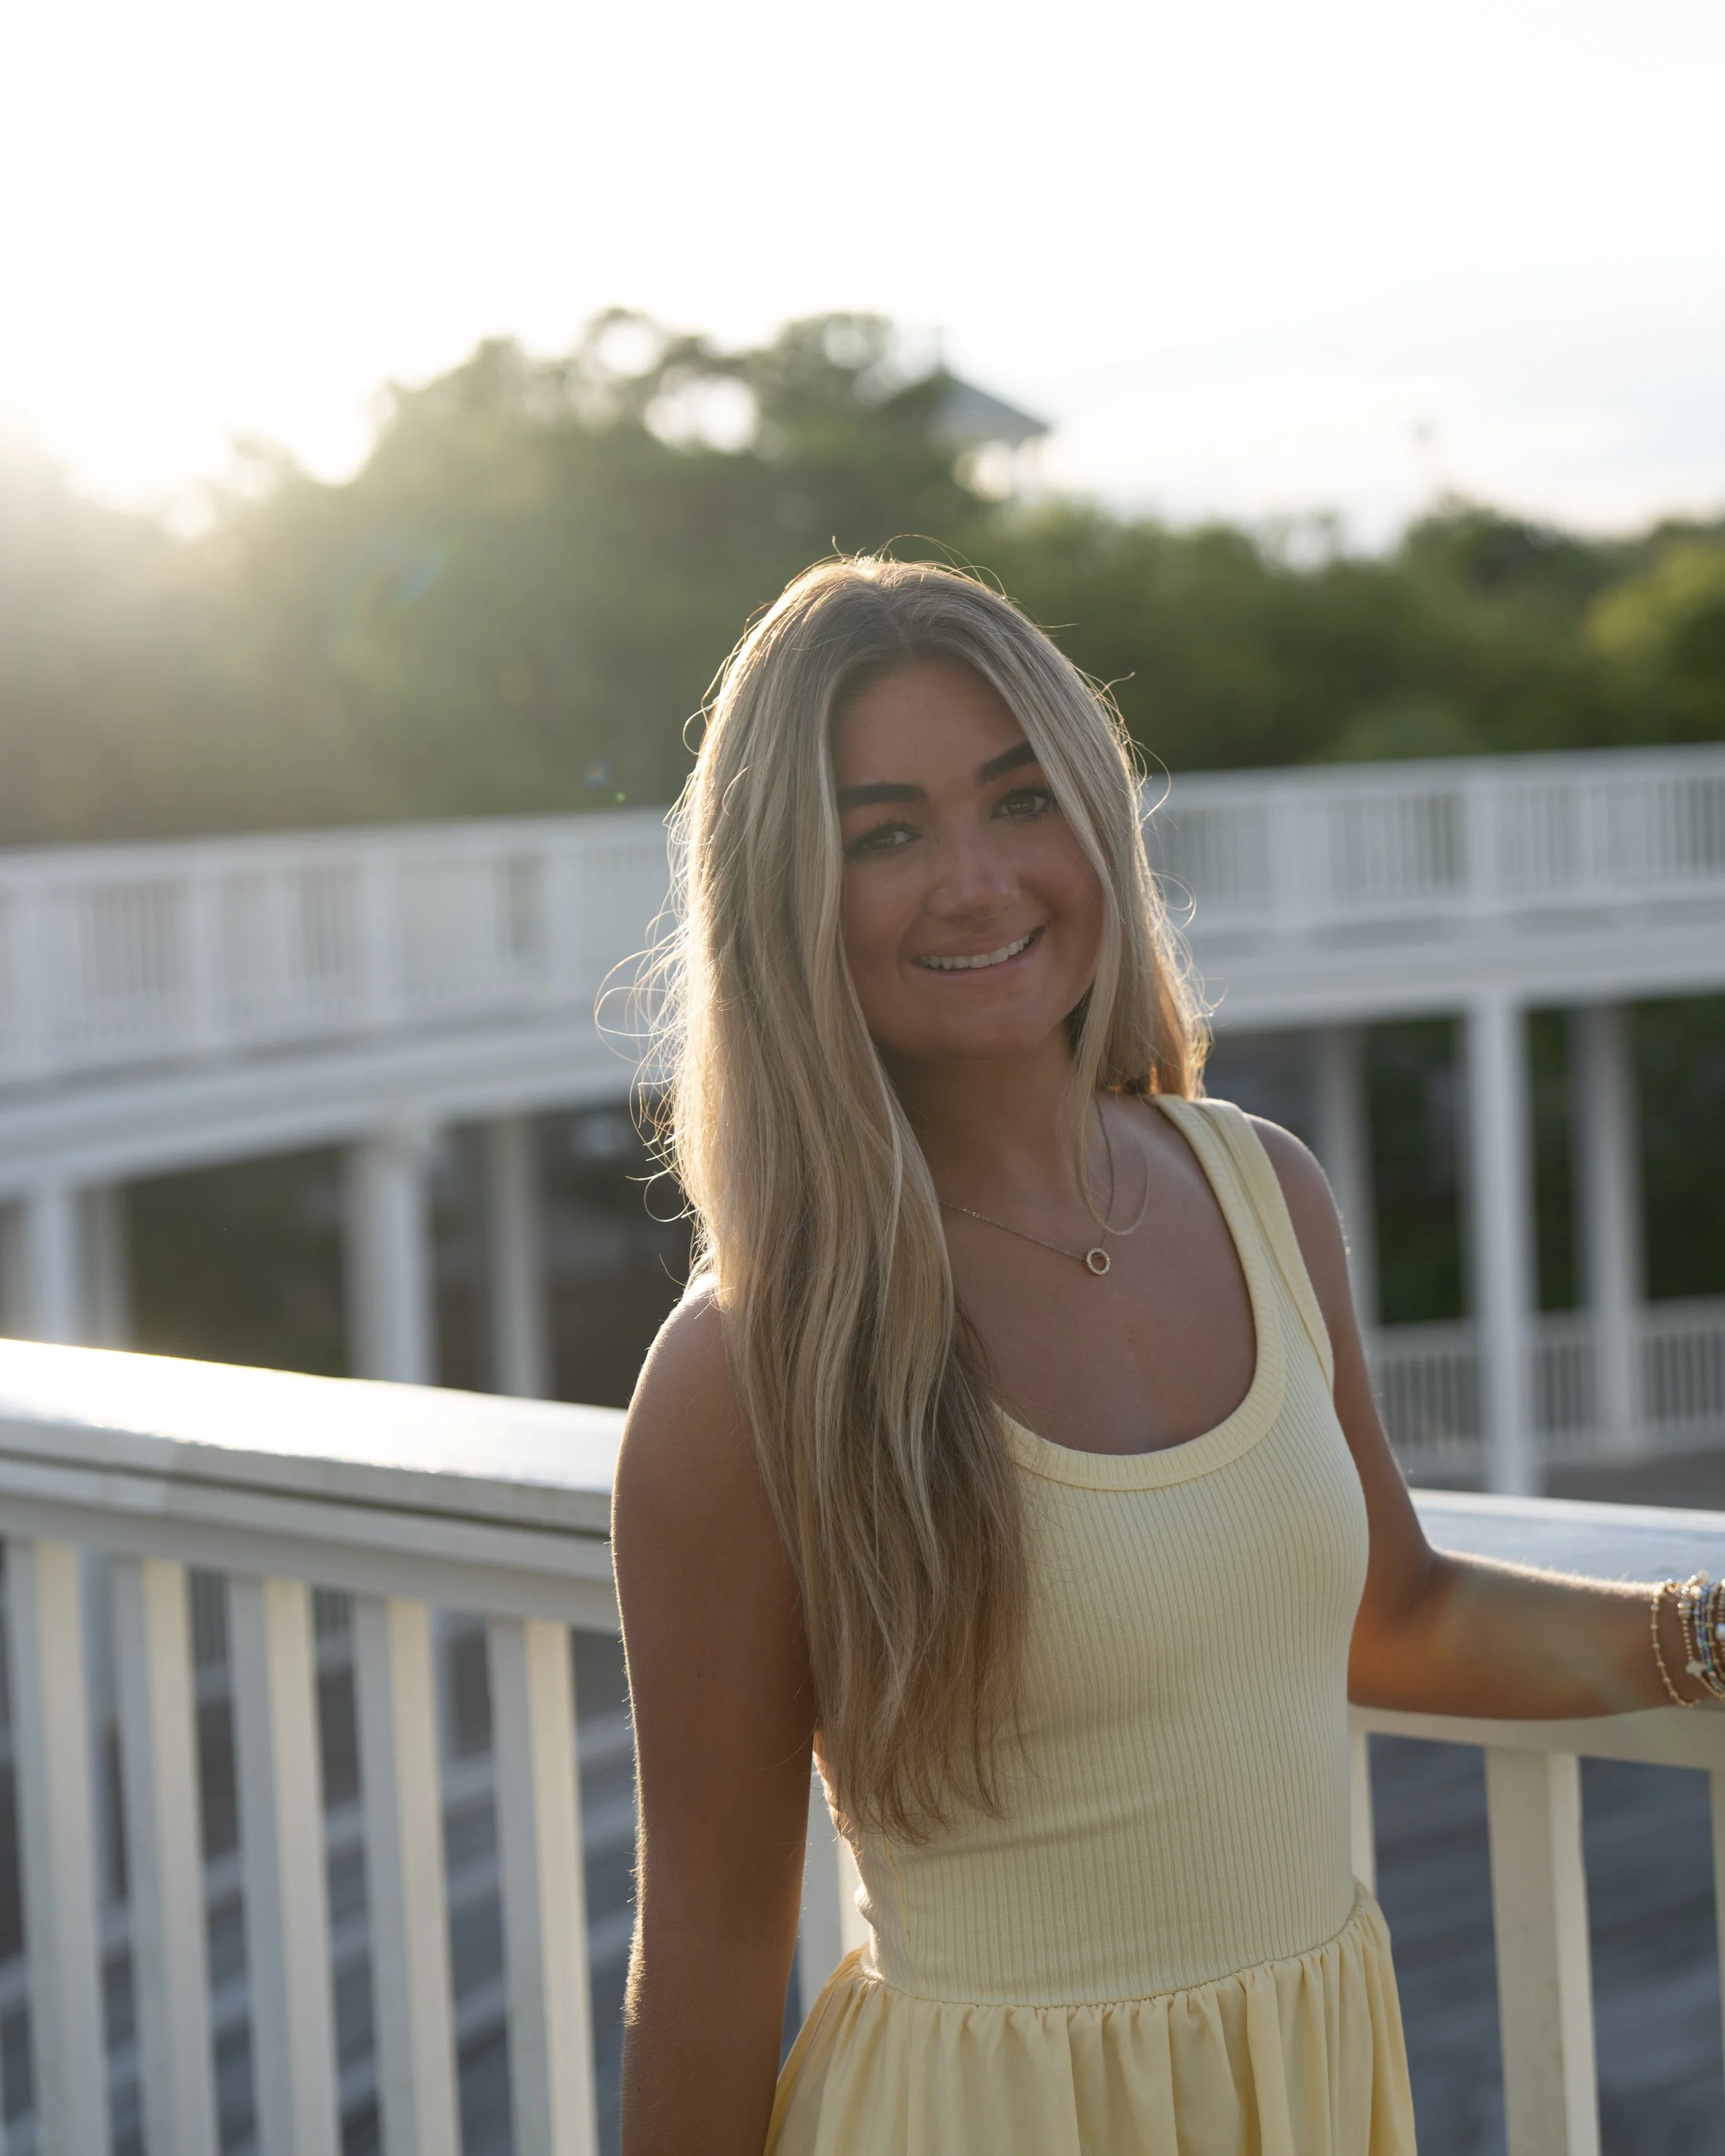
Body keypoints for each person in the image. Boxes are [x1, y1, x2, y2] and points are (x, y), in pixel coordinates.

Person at [612, 557, 1719, 2156]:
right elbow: (711, 1935)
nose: (975, 882)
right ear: (784, 893)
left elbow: (1391, 1614)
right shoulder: (750, 1362)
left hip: (1303, 2077)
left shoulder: (1256, 1187)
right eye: (887, 834)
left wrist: (1701, 1631)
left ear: (1096, 820)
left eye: (1018, 800)